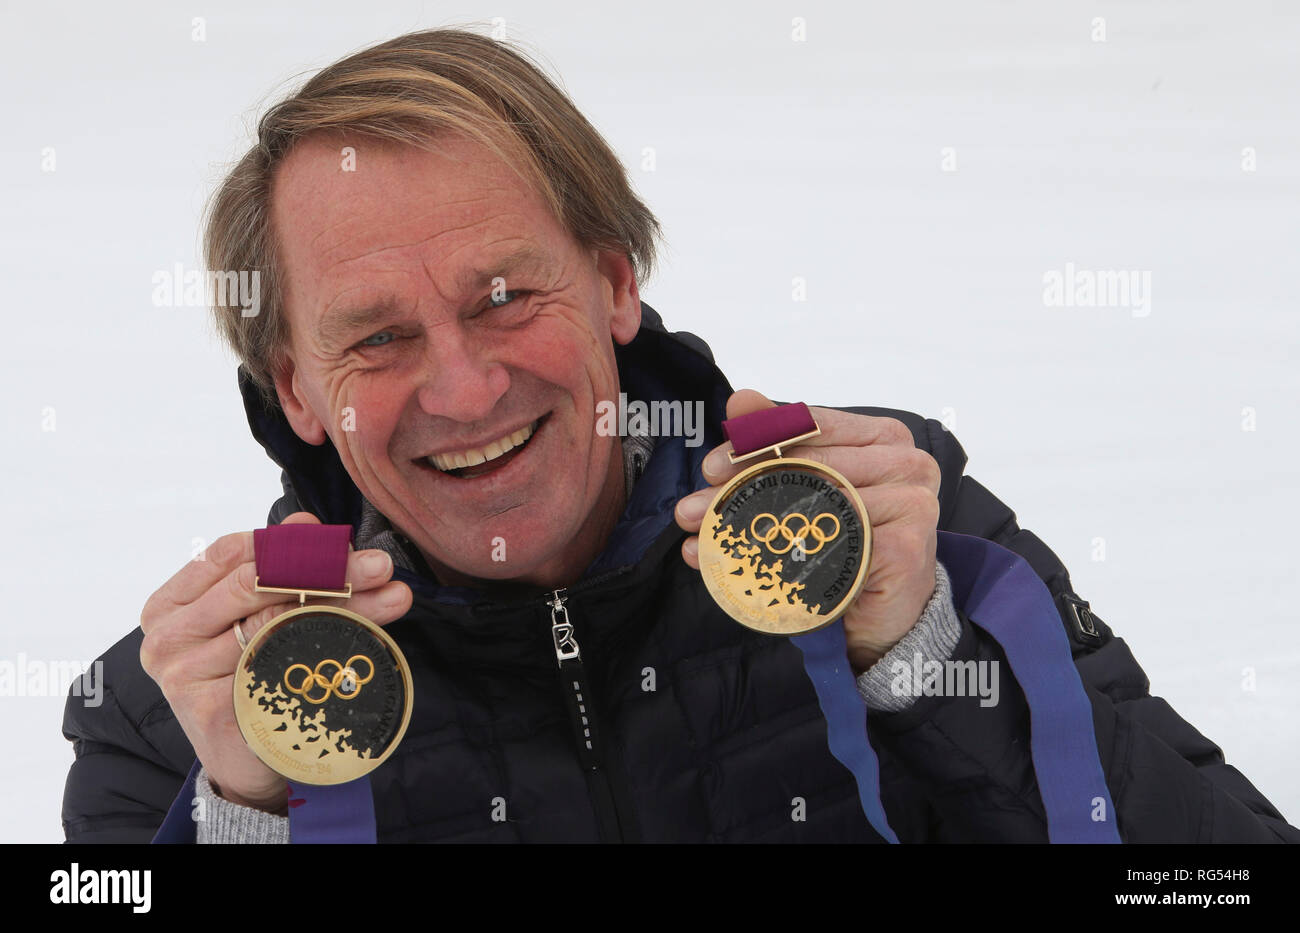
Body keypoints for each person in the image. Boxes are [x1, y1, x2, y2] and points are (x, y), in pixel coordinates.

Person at [62, 27, 1296, 844]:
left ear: (612, 285)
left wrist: (920, 664)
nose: (464, 386)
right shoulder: (172, 711)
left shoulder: (887, 527)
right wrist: (247, 812)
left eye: (503, 297)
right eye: (375, 339)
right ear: (294, 390)